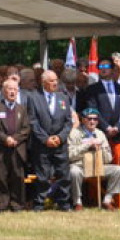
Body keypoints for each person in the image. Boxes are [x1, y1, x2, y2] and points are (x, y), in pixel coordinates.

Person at [25, 70, 74, 211]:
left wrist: (60, 137)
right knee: (43, 176)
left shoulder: (63, 97)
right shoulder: (33, 98)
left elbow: (68, 122)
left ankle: (64, 203)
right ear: (43, 82)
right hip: (42, 145)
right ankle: (39, 203)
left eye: (56, 80)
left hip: (60, 144)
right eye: (51, 81)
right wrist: (45, 139)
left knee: (64, 175)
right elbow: (32, 121)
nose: (55, 83)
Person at [0, 78, 30, 212]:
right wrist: (6, 139)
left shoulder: (22, 108)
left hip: (17, 148)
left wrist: (15, 139)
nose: (13, 92)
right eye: (10, 89)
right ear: (4, 91)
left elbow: (26, 128)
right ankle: (0, 204)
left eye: (15, 89)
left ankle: (17, 205)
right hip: (0, 149)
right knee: (1, 178)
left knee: (18, 177)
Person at [68, 108, 120, 210]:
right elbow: (70, 155)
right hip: (80, 165)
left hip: (98, 166)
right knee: (73, 172)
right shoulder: (74, 133)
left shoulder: (100, 134)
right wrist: (87, 146)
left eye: (95, 119)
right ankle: (77, 202)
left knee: (118, 170)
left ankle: (107, 200)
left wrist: (101, 149)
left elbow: (108, 159)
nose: (92, 121)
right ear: (83, 120)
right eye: (89, 119)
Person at [82, 58, 120, 163]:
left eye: (106, 66)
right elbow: (92, 110)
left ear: (112, 69)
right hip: (100, 134)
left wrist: (117, 127)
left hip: (118, 135)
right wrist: (107, 127)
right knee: (100, 168)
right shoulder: (91, 90)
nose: (103, 69)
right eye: (101, 67)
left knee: (117, 169)